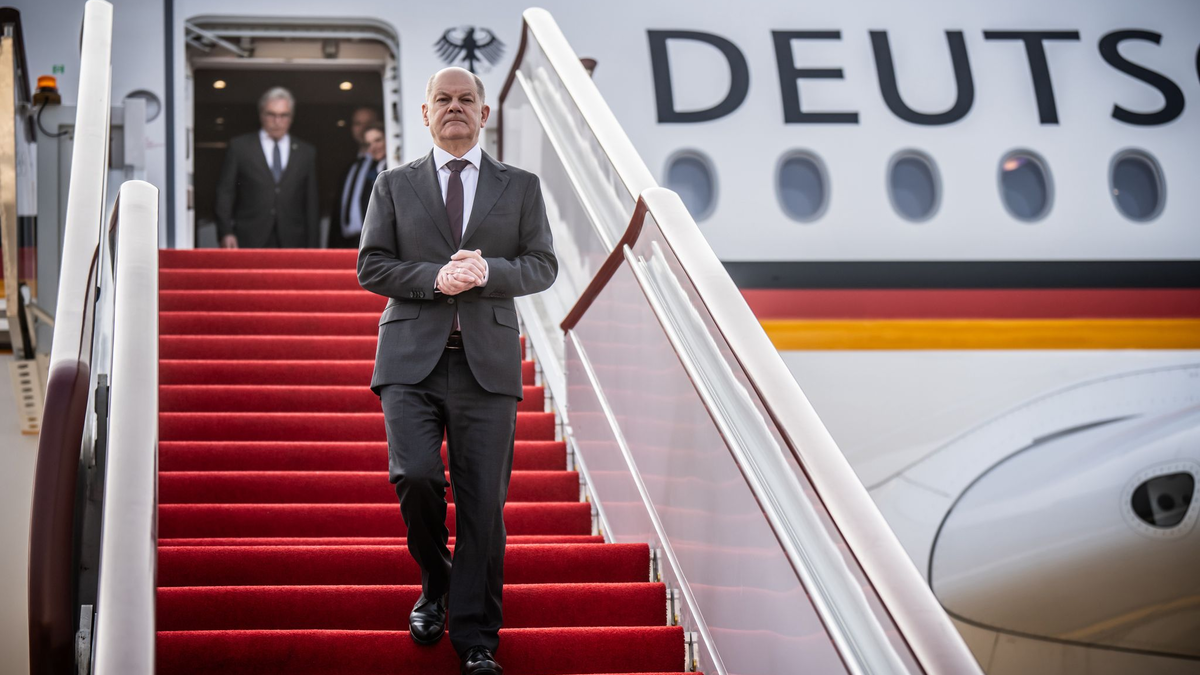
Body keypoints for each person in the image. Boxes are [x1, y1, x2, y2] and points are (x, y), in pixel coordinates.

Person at [356, 66, 557, 675]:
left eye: (466, 99)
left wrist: (489, 272)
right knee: (415, 477)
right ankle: (436, 582)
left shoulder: (520, 187)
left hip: (485, 364)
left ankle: (476, 639)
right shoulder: (393, 185)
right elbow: (372, 266)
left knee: (482, 505)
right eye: (442, 99)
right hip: (410, 361)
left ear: (484, 113)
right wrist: (435, 279)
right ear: (424, 114)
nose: (454, 107)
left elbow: (542, 264)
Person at [214, 86, 319, 248]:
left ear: (291, 117)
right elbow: (225, 193)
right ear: (261, 114)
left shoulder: (306, 152)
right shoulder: (240, 147)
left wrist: (313, 246)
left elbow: (311, 202)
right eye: (271, 114)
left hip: (293, 240)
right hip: (249, 237)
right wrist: (226, 231)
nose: (277, 121)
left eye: (284, 115)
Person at [329, 113, 387, 249]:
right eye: (368, 144)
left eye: (378, 140)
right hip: (350, 242)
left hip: (378, 240)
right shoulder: (355, 167)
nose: (374, 147)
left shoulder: (393, 167)